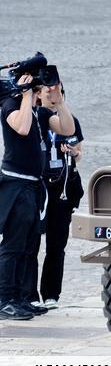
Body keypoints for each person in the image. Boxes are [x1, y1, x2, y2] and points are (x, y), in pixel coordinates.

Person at [1, 71, 75, 320]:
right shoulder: (10, 105)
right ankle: (4, 299)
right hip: (15, 184)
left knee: (26, 245)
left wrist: (60, 101)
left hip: (33, 186)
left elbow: (67, 128)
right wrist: (23, 95)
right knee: (12, 246)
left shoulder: (40, 113)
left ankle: (20, 297)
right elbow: (22, 129)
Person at [23, 83, 84, 310]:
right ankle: (29, 293)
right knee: (31, 242)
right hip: (40, 185)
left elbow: (79, 153)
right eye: (47, 93)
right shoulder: (35, 118)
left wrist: (74, 152)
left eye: (56, 94)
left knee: (57, 245)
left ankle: (51, 294)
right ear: (39, 95)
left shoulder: (69, 121)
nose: (52, 97)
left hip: (63, 187)